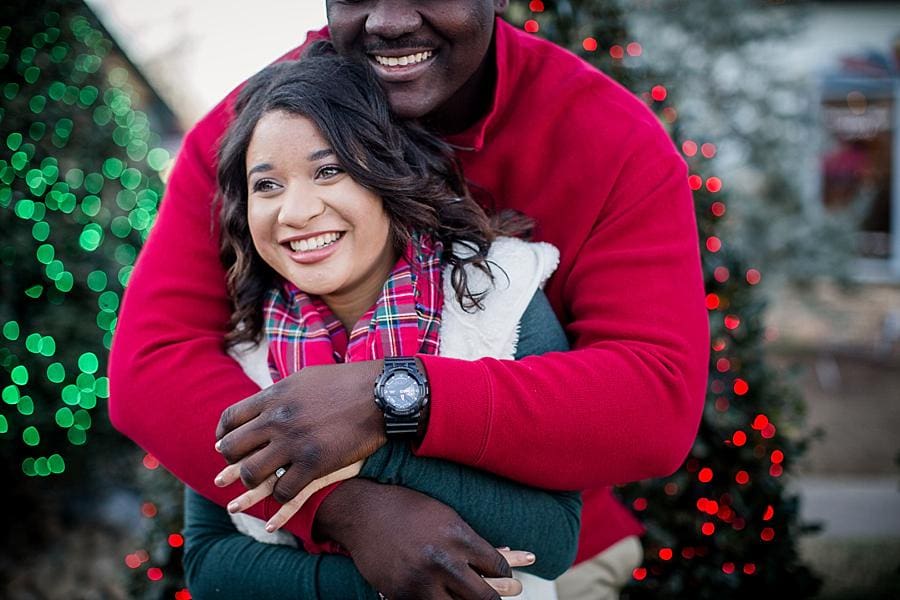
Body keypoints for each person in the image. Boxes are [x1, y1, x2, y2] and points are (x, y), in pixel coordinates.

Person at [109, 2, 709, 598]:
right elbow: (150, 364)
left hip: (536, 560)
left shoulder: (609, 140)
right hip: (297, 561)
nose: (389, 20)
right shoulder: (258, 132)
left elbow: (656, 397)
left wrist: (394, 396)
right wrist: (346, 508)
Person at [183, 44, 581, 599]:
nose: (295, 211)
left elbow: (557, 538)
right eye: (267, 185)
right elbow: (208, 563)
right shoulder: (244, 353)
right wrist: (375, 567)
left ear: (388, 174)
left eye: (329, 170)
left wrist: (372, 442)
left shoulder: (499, 295)